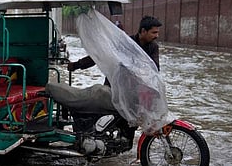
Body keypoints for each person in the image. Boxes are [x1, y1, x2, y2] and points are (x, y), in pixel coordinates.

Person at [67, 15, 163, 143]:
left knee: (131, 123)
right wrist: (76, 65)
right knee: (107, 117)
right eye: (154, 32)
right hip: (115, 87)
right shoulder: (125, 43)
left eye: (157, 32)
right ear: (143, 31)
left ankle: (123, 145)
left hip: (135, 92)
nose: (156, 36)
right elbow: (100, 56)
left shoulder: (153, 47)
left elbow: (155, 68)